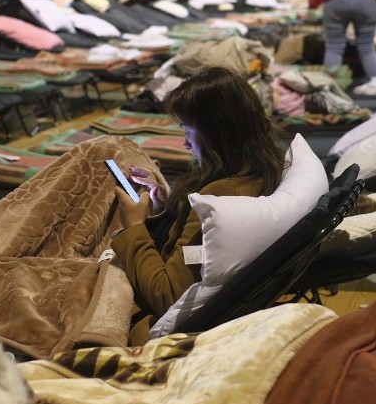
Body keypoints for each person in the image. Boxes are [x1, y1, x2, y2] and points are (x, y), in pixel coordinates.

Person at [109, 67, 288, 344]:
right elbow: (193, 250)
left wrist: (133, 226)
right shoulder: (260, 166)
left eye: (188, 131)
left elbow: (166, 294)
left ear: (217, 133)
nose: (184, 144)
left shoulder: (218, 200)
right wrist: (166, 210)